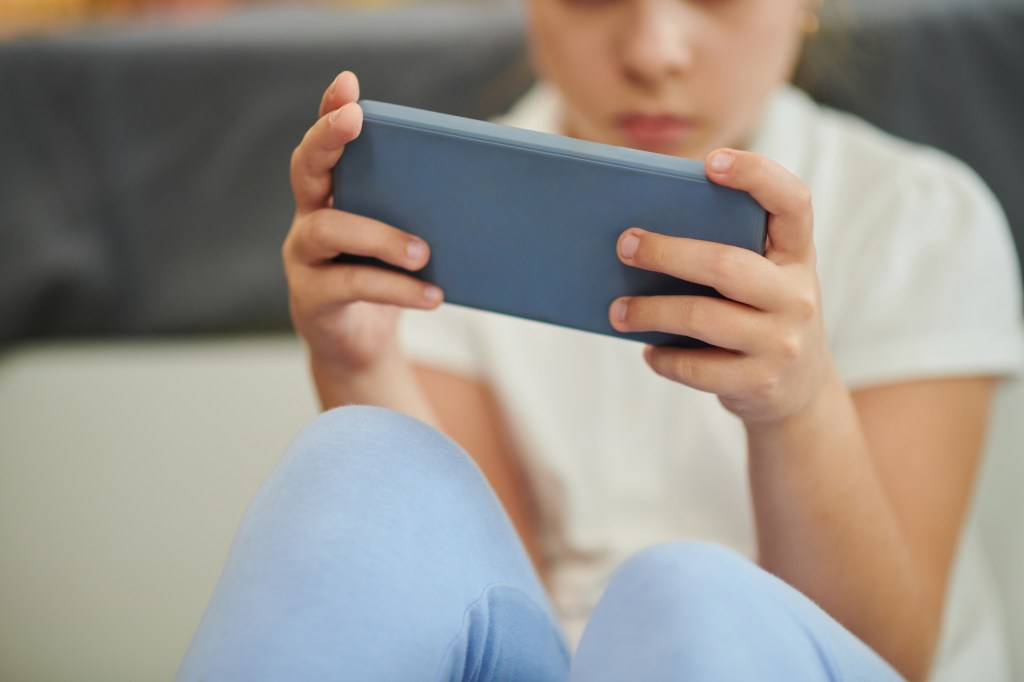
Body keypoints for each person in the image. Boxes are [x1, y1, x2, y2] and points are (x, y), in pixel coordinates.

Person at [177, 1, 1024, 680]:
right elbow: (470, 584)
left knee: (682, 594)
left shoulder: (918, 217)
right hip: (557, 653)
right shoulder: (454, 207)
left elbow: (893, 658)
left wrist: (796, 408)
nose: (654, 50)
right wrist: (358, 361)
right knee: (358, 458)